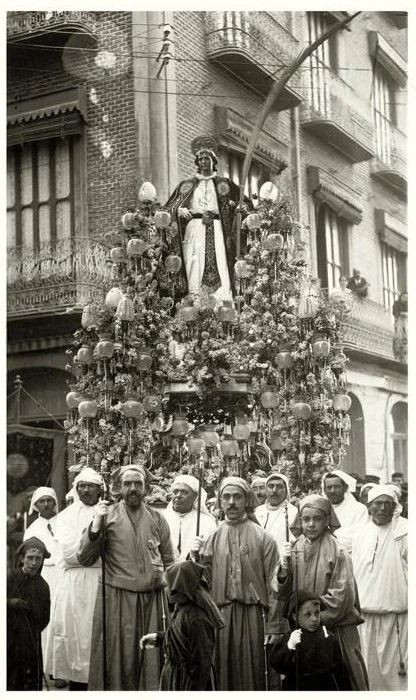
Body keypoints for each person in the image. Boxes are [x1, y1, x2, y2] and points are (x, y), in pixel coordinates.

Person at [77, 463, 175, 690]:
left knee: (152, 658)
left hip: (153, 601)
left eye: (138, 484)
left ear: (146, 488)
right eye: (127, 483)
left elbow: (169, 560)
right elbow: (84, 558)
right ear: (118, 488)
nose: (133, 488)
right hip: (117, 600)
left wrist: (172, 596)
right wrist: (95, 527)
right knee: (118, 658)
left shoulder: (157, 518)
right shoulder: (106, 516)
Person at [192, 476, 282, 690]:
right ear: (220, 501)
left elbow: (275, 587)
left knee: (253, 672)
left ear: (247, 500)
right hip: (219, 618)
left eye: (237, 497)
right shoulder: (211, 538)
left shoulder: (264, 538)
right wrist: (194, 558)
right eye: (226, 497)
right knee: (222, 673)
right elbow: (202, 583)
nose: (231, 502)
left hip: (254, 617)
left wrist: (274, 625)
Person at [276, 494, 368, 690]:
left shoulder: (337, 550)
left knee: (341, 678)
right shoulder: (294, 547)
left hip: (333, 628)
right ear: (300, 520)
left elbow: (342, 595)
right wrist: (283, 568)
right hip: (301, 629)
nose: (311, 524)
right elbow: (281, 592)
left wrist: (313, 617)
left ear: (327, 520)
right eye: (306, 519)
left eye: (317, 519)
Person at [165, 135, 249, 301]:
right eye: (200, 159)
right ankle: (194, 300)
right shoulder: (186, 185)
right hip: (194, 230)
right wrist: (178, 211)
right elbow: (168, 208)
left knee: (221, 260)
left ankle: (222, 301)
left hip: (218, 229)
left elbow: (244, 203)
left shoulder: (225, 184)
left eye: (207, 158)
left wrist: (239, 209)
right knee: (193, 263)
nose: (203, 162)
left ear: (213, 161)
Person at [44, 467, 104, 691]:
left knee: (98, 636)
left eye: (91, 486)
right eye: (82, 486)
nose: (86, 490)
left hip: (101, 582)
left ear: (100, 489)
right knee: (75, 634)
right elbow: (69, 554)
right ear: (76, 489)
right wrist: (94, 551)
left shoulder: (108, 512)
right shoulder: (66, 517)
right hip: (74, 583)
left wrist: (86, 548)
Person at [350, 484, 407, 690]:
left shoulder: (406, 532)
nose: (382, 508)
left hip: (398, 618)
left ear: (395, 506)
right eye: (377, 503)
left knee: (399, 677)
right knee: (368, 671)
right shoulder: (359, 532)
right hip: (365, 617)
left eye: (387, 503)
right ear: (369, 506)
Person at [140, 560, 224, 690]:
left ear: (179, 585)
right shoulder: (181, 609)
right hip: (178, 678)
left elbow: (201, 665)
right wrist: (159, 638)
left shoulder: (196, 618)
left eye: (168, 584)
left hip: (187, 682)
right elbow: (180, 639)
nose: (166, 589)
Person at [269, 589, 350, 690]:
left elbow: (341, 672)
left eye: (317, 613)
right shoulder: (291, 637)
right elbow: (276, 663)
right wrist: (289, 647)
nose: (314, 619)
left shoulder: (328, 637)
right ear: (295, 616)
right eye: (307, 614)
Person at [23, 487, 60, 675]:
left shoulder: (65, 521)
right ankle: (48, 666)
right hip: (45, 577)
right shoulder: (32, 529)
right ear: (35, 505)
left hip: (65, 575)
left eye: (49, 500)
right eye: (41, 501)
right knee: (47, 618)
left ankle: (61, 667)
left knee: (63, 619)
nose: (46, 504)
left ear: (55, 502)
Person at [7, 537, 51, 690]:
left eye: (38, 558)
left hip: (31, 641)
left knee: (31, 680)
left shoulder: (43, 586)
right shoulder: (9, 578)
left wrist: (31, 621)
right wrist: (9, 603)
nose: (34, 563)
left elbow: (45, 618)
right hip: (8, 639)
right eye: (30, 558)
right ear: (21, 558)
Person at [162, 474, 217, 561]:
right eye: (175, 491)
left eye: (184, 492)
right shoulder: (161, 518)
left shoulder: (207, 522)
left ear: (195, 496)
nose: (178, 495)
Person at [322, 469, 368, 549]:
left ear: (345, 488)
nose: (332, 491)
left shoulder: (359, 509)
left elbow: (359, 536)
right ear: (324, 490)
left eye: (337, 487)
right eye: (329, 487)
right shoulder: (321, 509)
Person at [255, 472, 298, 557]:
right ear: (266, 489)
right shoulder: (257, 512)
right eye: (271, 486)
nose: (274, 490)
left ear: (286, 490)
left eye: (279, 486)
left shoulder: (294, 512)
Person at [392, 292, 407, 362]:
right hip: (398, 322)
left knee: (405, 339)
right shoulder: (396, 303)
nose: (405, 299)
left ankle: (404, 356)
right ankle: (396, 355)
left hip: (406, 323)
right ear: (401, 296)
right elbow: (395, 312)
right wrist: (401, 314)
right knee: (397, 339)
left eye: (406, 298)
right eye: (404, 297)